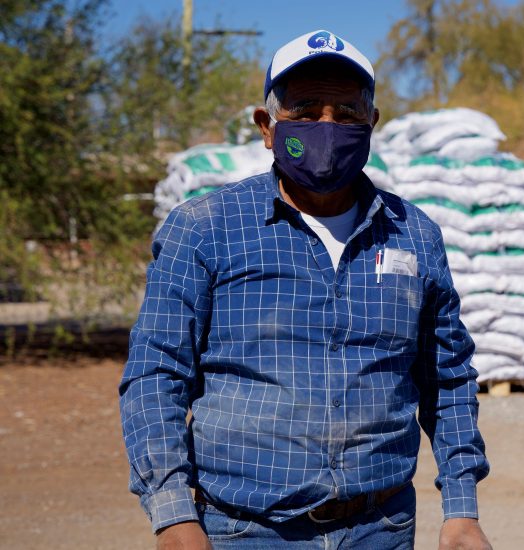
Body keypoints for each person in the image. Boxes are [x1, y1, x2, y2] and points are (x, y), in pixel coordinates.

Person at [119, 29, 492, 550]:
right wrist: (173, 513)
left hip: (380, 528)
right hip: (245, 531)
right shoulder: (204, 228)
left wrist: (462, 509)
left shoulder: (415, 235)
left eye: (346, 113)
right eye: (307, 109)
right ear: (267, 127)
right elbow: (155, 375)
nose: (327, 126)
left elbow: (447, 378)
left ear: (371, 125)